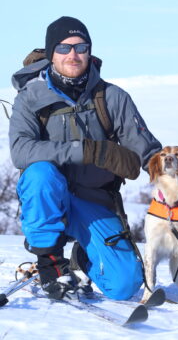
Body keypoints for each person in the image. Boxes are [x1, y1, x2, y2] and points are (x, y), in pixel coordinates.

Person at [9, 16, 162, 301]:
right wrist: (85, 150)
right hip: (48, 199)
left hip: (92, 199)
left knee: (124, 285)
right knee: (40, 173)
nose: (73, 55)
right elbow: (21, 151)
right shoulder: (30, 97)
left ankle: (82, 258)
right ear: (51, 53)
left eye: (81, 47)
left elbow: (147, 150)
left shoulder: (112, 97)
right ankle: (49, 263)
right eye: (64, 48)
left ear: (90, 51)